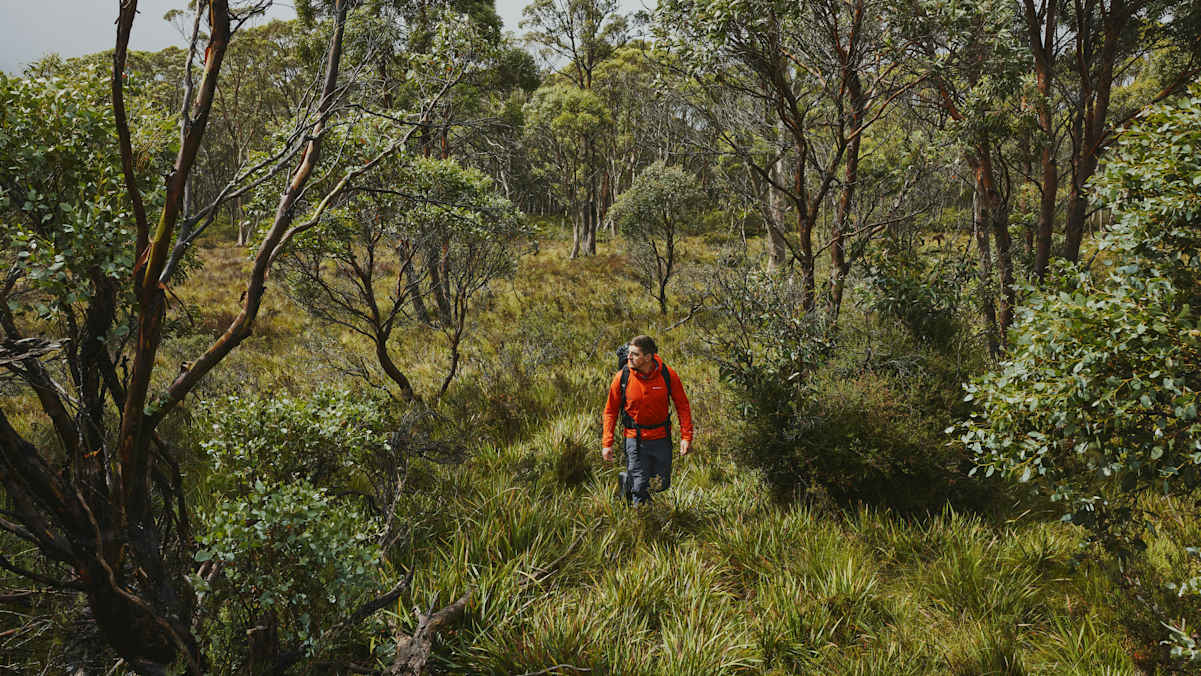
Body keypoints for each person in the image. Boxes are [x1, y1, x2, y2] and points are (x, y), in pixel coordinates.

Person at [602, 335, 693, 505]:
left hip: (661, 438)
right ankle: (641, 523)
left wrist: (686, 437)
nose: (629, 357)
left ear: (648, 357)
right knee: (640, 486)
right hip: (634, 439)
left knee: (660, 484)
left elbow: (682, 406)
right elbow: (610, 411)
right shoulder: (622, 377)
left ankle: (627, 482)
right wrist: (607, 443)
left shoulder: (667, 374)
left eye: (635, 354)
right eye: (629, 353)